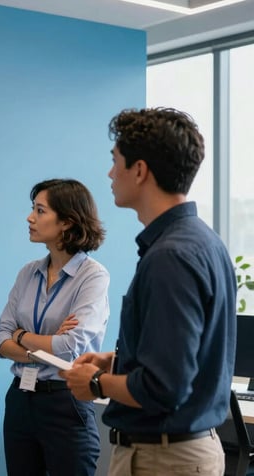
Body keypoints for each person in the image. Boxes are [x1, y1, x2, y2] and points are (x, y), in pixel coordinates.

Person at [61, 107, 237, 476]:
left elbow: (164, 387)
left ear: (139, 170)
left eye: (116, 161)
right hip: (181, 453)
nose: (110, 174)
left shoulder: (170, 256)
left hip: (164, 460)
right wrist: (116, 362)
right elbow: (182, 358)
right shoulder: (204, 241)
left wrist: (95, 382)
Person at [0, 178, 110, 476]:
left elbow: (69, 346)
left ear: (67, 223)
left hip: (64, 401)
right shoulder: (27, 273)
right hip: (20, 398)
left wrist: (21, 336)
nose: (30, 218)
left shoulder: (93, 277)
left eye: (40, 211)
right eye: (33, 209)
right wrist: (38, 347)